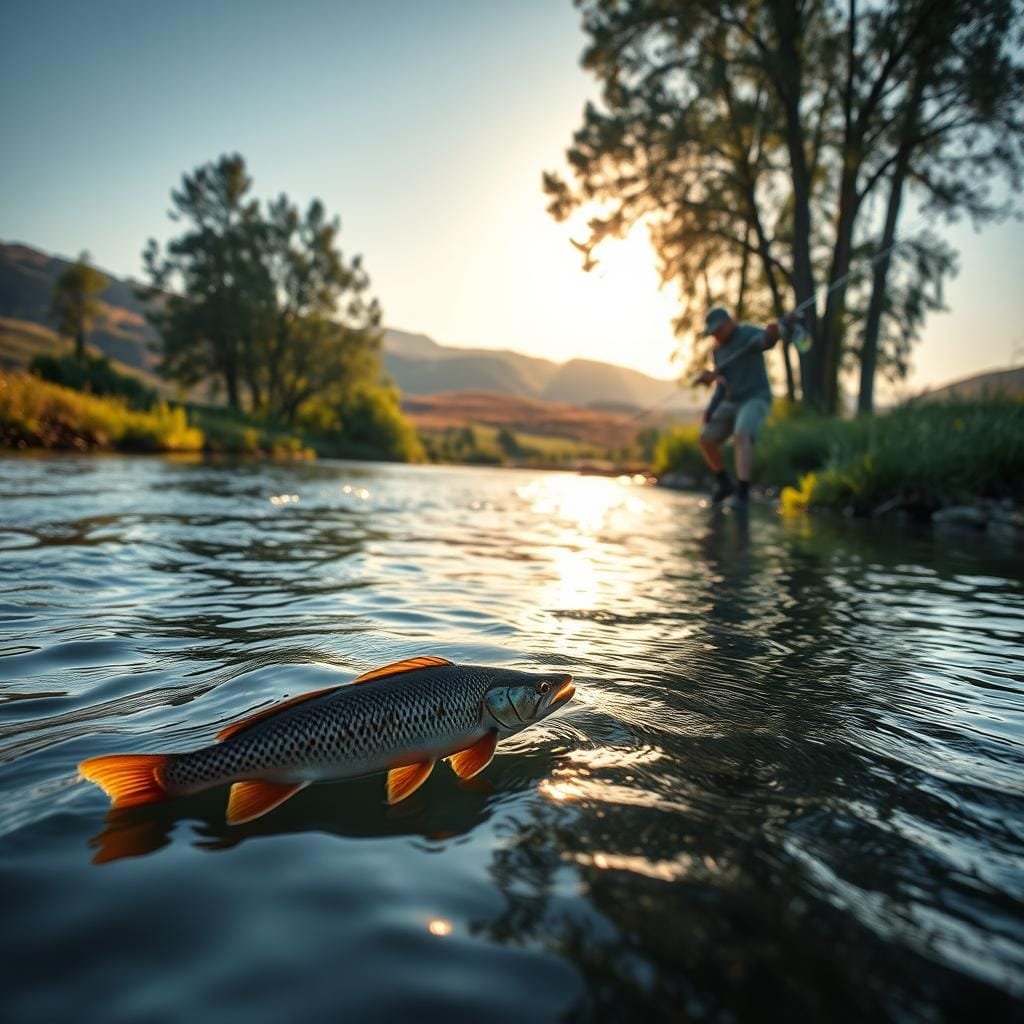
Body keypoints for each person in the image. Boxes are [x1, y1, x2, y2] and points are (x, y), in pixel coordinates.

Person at [695, 306, 782, 507]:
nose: (716, 334)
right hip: (730, 401)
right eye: (713, 332)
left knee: (741, 433)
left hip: (755, 398)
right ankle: (724, 483)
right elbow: (722, 386)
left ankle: (743, 492)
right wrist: (711, 409)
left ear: (729, 322)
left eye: (718, 329)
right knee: (705, 439)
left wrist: (773, 334)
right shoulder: (717, 351)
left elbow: (766, 341)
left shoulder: (748, 333)